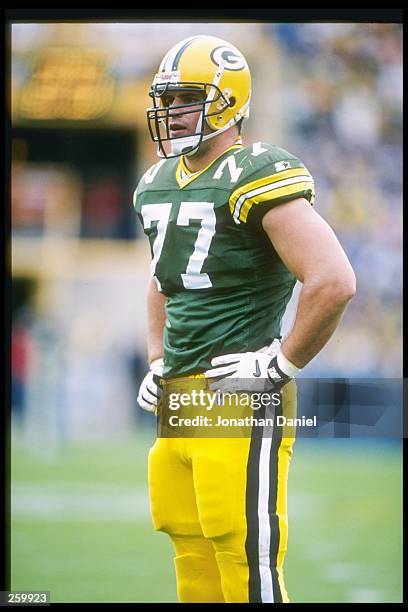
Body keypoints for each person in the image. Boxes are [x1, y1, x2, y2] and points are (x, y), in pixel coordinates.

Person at [133, 35, 356, 604]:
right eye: (168, 98)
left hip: (237, 394)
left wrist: (279, 364)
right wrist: (157, 358)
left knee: (244, 557)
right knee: (190, 551)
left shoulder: (256, 170)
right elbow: (165, 277)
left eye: (187, 98)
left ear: (228, 101)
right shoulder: (156, 182)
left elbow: (333, 280)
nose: (173, 111)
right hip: (178, 398)